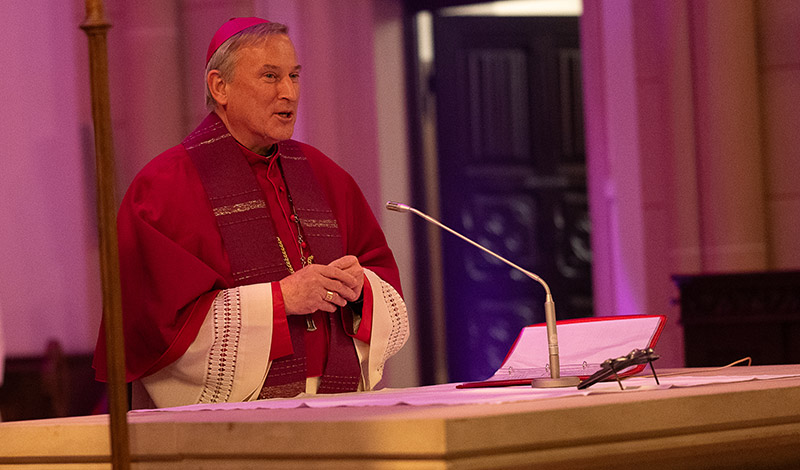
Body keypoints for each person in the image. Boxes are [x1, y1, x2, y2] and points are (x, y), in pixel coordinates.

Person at [92, 17, 409, 408]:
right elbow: (156, 328)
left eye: (294, 76)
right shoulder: (162, 189)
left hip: (338, 405)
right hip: (233, 418)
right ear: (219, 87)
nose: (288, 92)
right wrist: (280, 300)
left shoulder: (325, 175)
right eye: (270, 76)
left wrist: (360, 290)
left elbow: (382, 277)